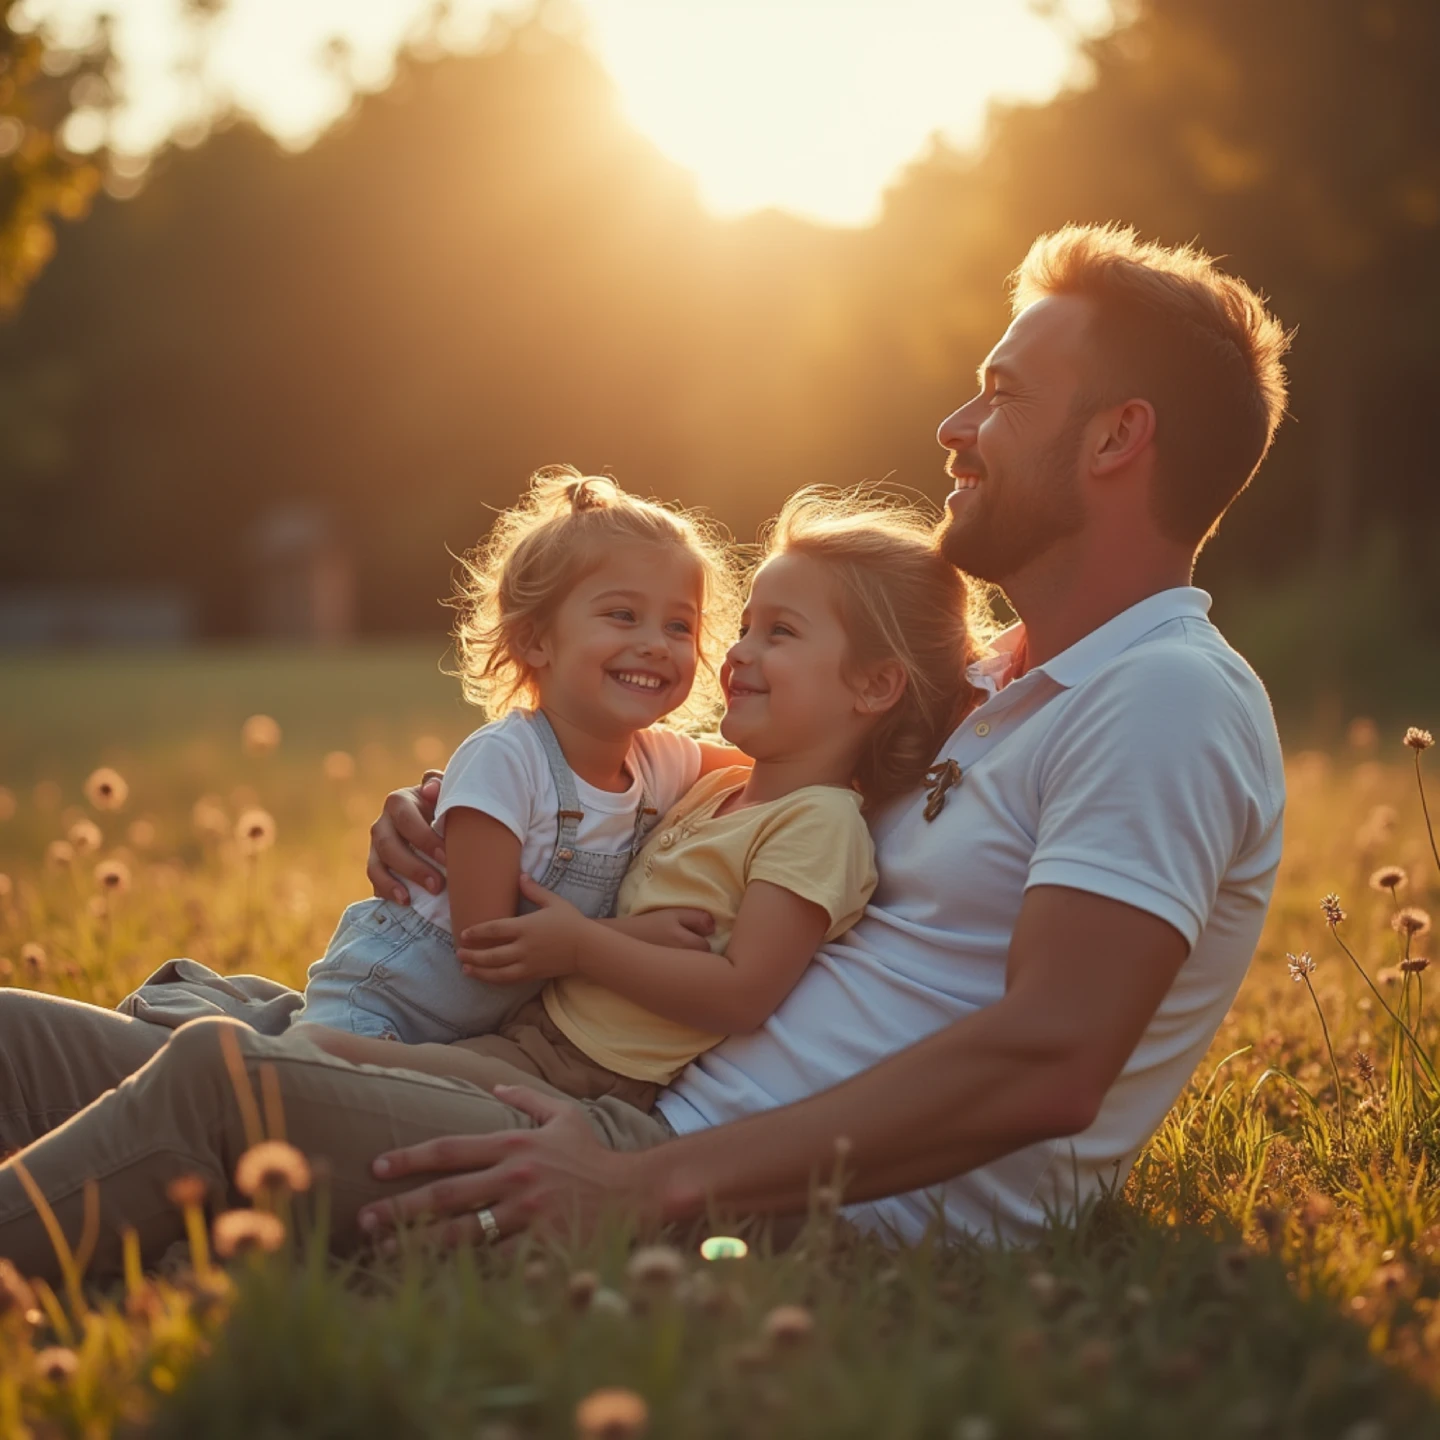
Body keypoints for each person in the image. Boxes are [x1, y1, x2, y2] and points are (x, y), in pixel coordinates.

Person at [0, 224, 1289, 1281]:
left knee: (215, 1086)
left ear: (1118, 438)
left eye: (1004, 395)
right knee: (30, 1046)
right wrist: (468, 807)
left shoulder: (1163, 699)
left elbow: (1052, 1061)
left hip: (722, 1175)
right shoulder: (989, 683)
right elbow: (708, 784)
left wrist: (637, 1182)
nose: (955, 421)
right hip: (589, 1073)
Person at [299, 487, 976, 1116]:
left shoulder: (793, 813)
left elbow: (743, 988)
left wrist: (588, 947)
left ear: (876, 683)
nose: (736, 652)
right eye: (744, 627)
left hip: (567, 1064)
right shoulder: (707, 782)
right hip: (437, 1010)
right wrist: (449, 797)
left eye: (780, 632)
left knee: (293, 1068)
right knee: (283, 1055)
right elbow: (552, 799)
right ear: (537, 637)